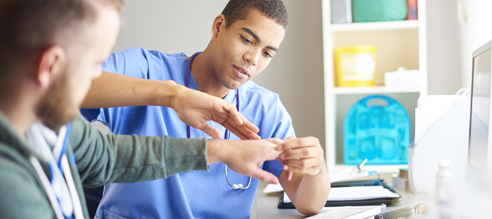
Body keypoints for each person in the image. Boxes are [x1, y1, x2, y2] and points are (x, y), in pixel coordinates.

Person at [0, 0, 290, 218]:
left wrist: (221, 151)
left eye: (266, 52)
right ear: (50, 66)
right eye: (93, 65)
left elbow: (107, 156)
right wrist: (171, 94)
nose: (96, 77)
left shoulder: (52, 126)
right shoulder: (12, 189)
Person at [82, 0, 331, 218]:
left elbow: (309, 203)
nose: (253, 59)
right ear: (219, 26)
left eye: (267, 53)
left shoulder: (266, 109)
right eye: (247, 40)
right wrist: (171, 95)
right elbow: (66, 85)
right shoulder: (147, 69)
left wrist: (316, 167)